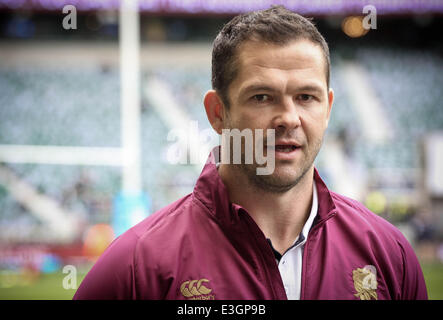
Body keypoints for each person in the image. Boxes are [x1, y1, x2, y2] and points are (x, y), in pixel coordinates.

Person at [74, 5, 427, 300]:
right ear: (217, 113)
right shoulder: (136, 267)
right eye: (261, 97)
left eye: (306, 97)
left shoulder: (388, 254)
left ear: (328, 107)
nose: (289, 118)